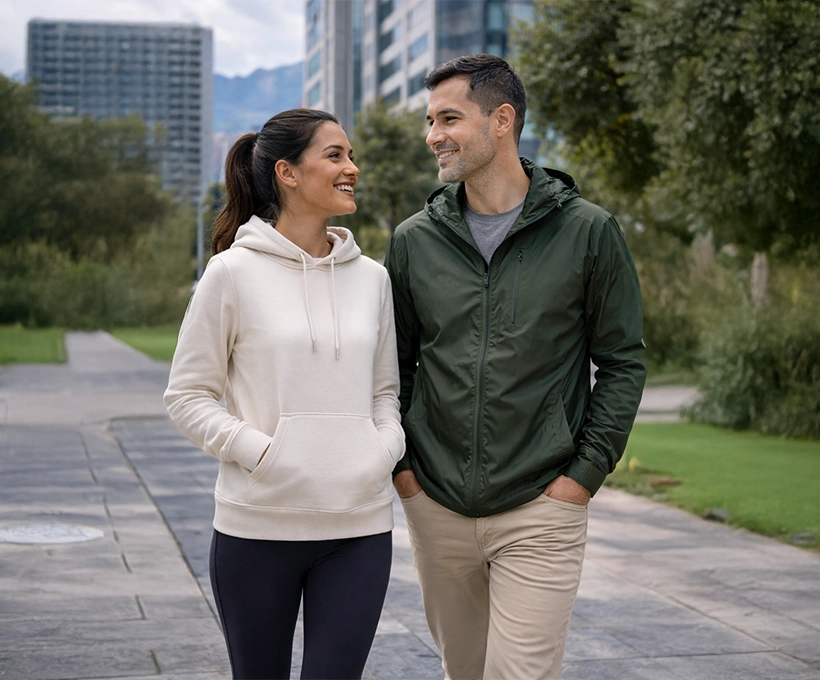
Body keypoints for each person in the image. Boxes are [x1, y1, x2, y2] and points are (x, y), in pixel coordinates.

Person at [384, 54, 646, 680]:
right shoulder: (414, 240)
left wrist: (580, 478)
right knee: (464, 672)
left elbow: (622, 362)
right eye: (429, 120)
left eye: (449, 118)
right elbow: (391, 370)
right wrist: (406, 477)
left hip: (541, 506)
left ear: (502, 120)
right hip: (437, 506)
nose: (432, 136)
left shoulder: (588, 232)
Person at [164, 108, 405, 680]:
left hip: (358, 528)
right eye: (335, 155)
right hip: (258, 528)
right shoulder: (230, 273)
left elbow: (385, 389)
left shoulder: (373, 277)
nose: (353, 167)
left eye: (350, 154)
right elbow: (188, 395)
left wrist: (382, 448)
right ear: (287, 173)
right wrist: (261, 452)